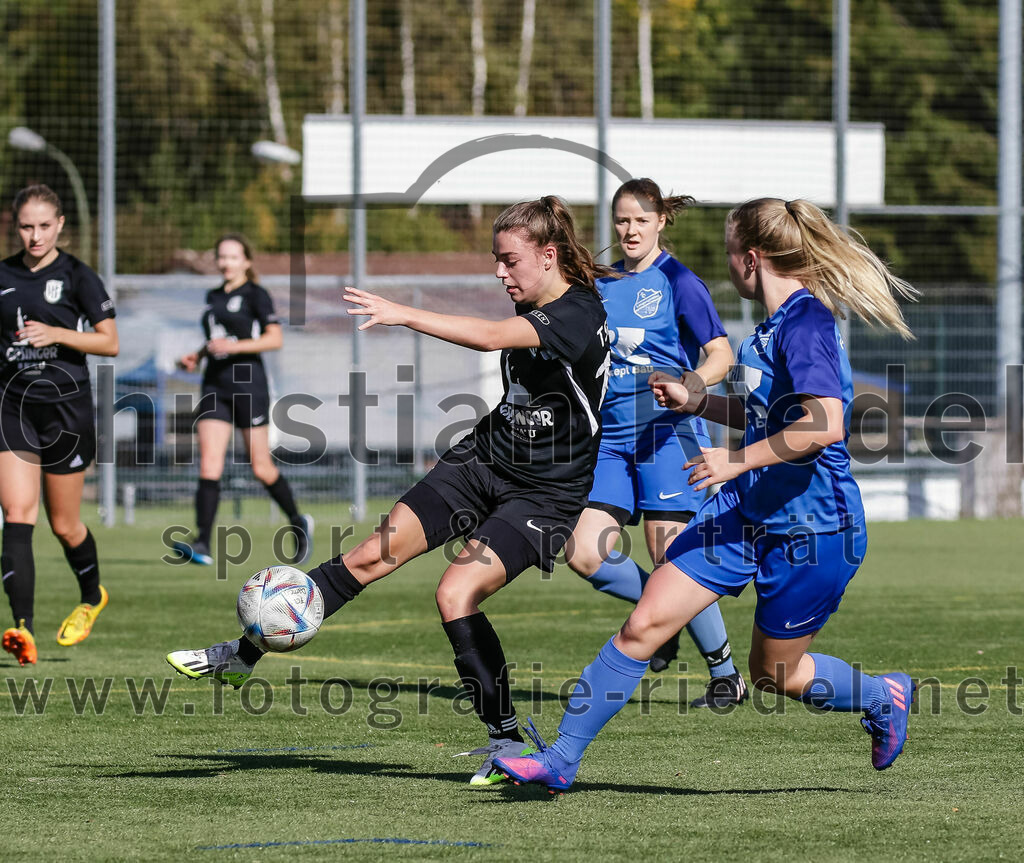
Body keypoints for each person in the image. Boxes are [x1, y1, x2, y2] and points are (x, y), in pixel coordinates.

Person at [167, 197, 612, 785]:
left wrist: (404, 313)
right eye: (496, 260)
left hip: (545, 494)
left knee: (455, 592)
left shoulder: (577, 313)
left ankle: (505, 739)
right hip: (482, 459)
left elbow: (488, 337)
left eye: (510, 260)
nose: (499, 272)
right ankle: (242, 654)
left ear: (549, 256)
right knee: (371, 554)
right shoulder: (535, 301)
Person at [495, 197, 919, 791]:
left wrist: (734, 460)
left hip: (813, 527)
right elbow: (773, 417)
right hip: (744, 513)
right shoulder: (772, 327)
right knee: (644, 624)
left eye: (729, 253)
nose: (727, 265)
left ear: (752, 259)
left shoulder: (806, 321)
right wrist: (700, 403)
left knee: (775, 673)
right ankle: (560, 759)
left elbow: (824, 424)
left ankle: (880, 695)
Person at [563, 178, 747, 707]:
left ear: (661, 221)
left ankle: (726, 675)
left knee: (672, 560)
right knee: (582, 551)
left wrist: (691, 385)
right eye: (623, 220)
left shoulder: (679, 281)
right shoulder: (601, 282)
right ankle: (660, 619)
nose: (631, 230)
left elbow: (720, 354)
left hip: (669, 436)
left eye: (641, 220)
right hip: (611, 440)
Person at [0, 184, 119, 665]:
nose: (35, 236)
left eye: (44, 226)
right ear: (15, 226)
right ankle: (22, 628)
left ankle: (92, 595)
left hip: (66, 411)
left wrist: (56, 333)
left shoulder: (76, 275)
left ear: (60, 225)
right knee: (17, 514)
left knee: (64, 525)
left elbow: (109, 342)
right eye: (26, 227)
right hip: (13, 407)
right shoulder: (3, 275)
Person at [172, 233, 313, 567]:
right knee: (209, 464)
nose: (226, 263)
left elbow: (274, 339)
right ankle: (202, 542)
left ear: (246, 261)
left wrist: (234, 347)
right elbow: (217, 340)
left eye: (233, 257)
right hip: (214, 385)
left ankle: (298, 522)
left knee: (261, 468)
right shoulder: (213, 296)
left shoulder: (256, 295)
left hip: (249, 385)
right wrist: (197, 356)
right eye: (222, 257)